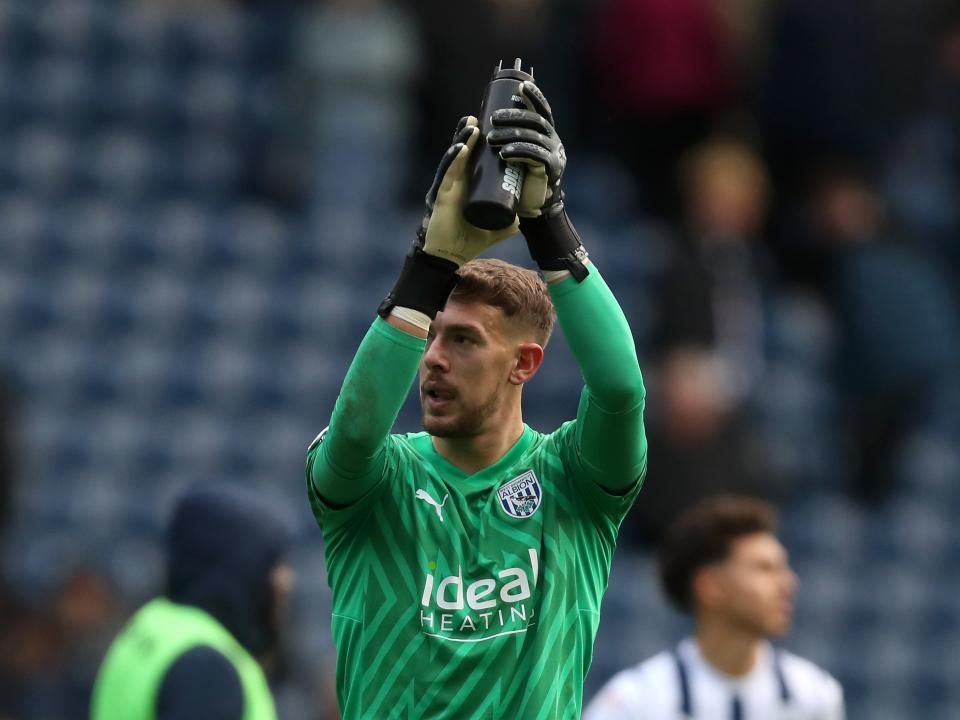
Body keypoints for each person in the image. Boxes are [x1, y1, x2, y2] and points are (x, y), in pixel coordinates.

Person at [306, 78, 648, 718]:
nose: (430, 357)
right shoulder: (381, 484)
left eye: (461, 340)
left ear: (524, 363)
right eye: (430, 336)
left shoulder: (573, 481)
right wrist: (428, 265)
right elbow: (353, 431)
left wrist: (549, 225)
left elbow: (621, 388)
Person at [583, 495, 844, 719]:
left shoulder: (815, 697)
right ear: (711, 586)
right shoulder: (635, 703)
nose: (789, 583)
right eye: (765, 568)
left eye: (783, 568)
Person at [90, 484, 294, 720]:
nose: (286, 581)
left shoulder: (149, 623)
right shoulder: (208, 669)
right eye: (272, 562)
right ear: (241, 568)